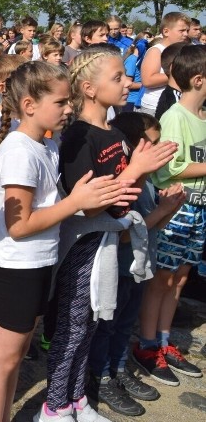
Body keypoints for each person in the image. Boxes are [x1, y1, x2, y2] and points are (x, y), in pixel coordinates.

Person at [0, 61, 135, 422]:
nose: (69, 109)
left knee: (13, 358)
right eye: (61, 102)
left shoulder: (44, 145)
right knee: (2, 359)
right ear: (30, 105)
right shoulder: (20, 151)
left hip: (36, 264)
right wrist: (75, 203)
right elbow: (19, 225)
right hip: (15, 268)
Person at [38, 48, 176, 422]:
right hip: (83, 246)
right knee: (73, 325)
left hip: (108, 242)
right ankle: (54, 406)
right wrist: (135, 171)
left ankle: (77, 399)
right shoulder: (79, 137)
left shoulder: (114, 131)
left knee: (93, 324)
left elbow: (122, 195)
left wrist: (143, 172)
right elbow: (90, 205)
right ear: (89, 89)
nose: (127, 82)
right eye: (117, 77)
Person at [88, 112, 183, 417]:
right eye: (152, 144)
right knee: (107, 327)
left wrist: (170, 208)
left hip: (139, 269)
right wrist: (162, 210)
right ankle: (100, 377)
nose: (158, 151)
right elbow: (126, 235)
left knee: (125, 324)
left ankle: (118, 369)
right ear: (131, 146)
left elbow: (151, 227)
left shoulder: (150, 183)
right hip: (118, 268)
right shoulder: (124, 184)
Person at [133, 44, 206, 387]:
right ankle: (147, 345)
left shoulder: (204, 116)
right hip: (177, 209)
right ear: (198, 79)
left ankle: (164, 340)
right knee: (162, 279)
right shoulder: (175, 117)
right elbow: (169, 168)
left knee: (180, 278)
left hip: (200, 211)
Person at [138, 12, 191, 116]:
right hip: (155, 106)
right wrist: (183, 73)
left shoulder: (185, 50)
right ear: (166, 31)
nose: (186, 34)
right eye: (182, 30)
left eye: (187, 30)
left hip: (179, 105)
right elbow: (148, 80)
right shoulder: (156, 51)